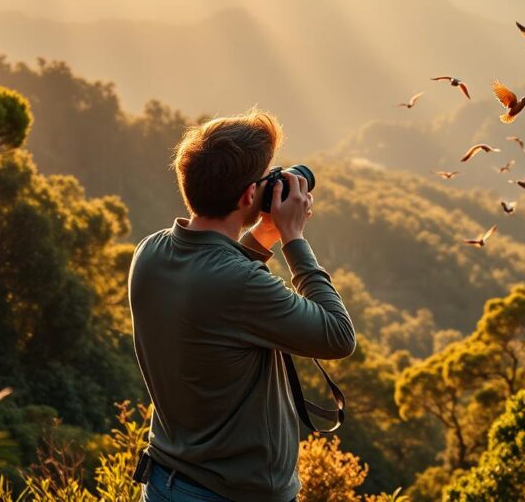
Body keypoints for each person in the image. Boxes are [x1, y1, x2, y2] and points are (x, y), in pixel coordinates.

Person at [127, 111, 356, 502]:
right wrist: (293, 239)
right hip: (229, 494)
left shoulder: (151, 251)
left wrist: (260, 236)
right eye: (271, 176)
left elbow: (213, 287)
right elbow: (338, 336)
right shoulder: (239, 283)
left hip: (167, 482)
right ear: (251, 196)